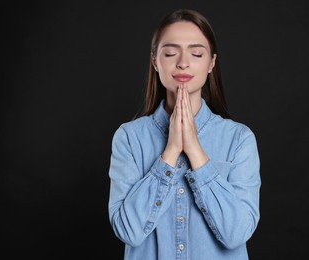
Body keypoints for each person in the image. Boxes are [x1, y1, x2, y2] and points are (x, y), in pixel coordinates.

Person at [108, 9, 261, 260]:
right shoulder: (128, 138)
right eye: (170, 53)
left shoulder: (239, 139)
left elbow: (237, 233)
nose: (183, 62)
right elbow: (127, 230)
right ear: (155, 61)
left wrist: (195, 151)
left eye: (196, 53)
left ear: (211, 62)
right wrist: (169, 153)